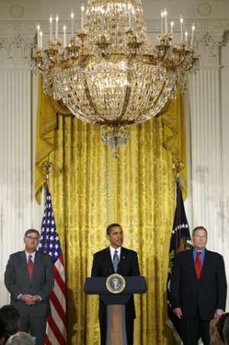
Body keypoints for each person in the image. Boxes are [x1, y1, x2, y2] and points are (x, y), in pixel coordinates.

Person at [170, 226, 227, 345]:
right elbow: (175, 284)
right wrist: (176, 305)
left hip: (210, 312)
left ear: (206, 239)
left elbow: (222, 285)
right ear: (193, 238)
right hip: (187, 311)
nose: (201, 239)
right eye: (198, 236)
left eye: (204, 236)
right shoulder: (181, 258)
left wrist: (220, 308)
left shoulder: (216, 259)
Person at [91, 223, 140, 345]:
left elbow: (136, 280)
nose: (119, 236)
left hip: (126, 307)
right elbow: (94, 281)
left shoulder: (131, 255)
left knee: (127, 339)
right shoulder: (99, 256)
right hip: (106, 308)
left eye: (121, 233)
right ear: (108, 237)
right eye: (115, 233)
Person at [4, 229, 54, 345]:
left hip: (39, 309)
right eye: (30, 237)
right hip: (19, 309)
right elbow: (9, 281)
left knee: (38, 341)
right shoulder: (14, 258)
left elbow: (49, 282)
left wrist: (38, 296)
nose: (33, 240)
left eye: (36, 238)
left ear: (38, 242)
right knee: (17, 342)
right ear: (24, 239)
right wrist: (21, 296)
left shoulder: (46, 258)